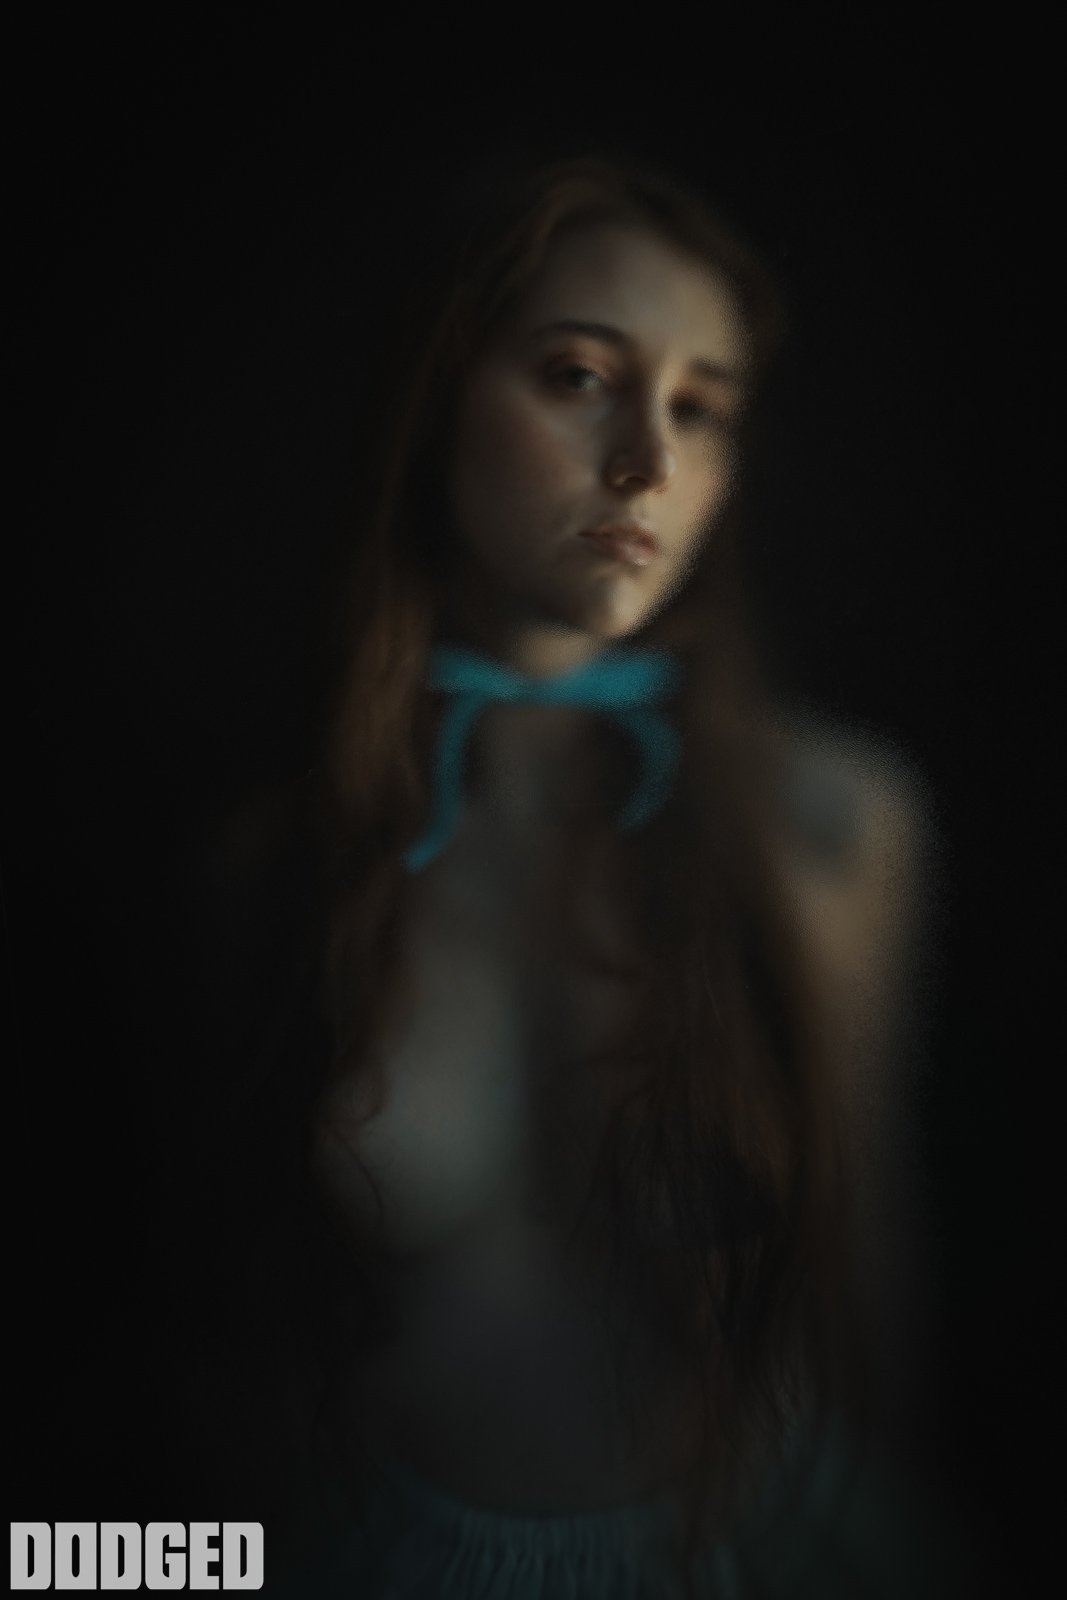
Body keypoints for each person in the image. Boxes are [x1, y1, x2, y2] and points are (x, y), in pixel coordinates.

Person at [181, 142, 949, 1598]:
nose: (648, 463)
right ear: (435, 393)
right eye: (581, 376)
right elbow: (209, 1335)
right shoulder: (274, 850)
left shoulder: (833, 823)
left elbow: (876, 1286)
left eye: (702, 408)